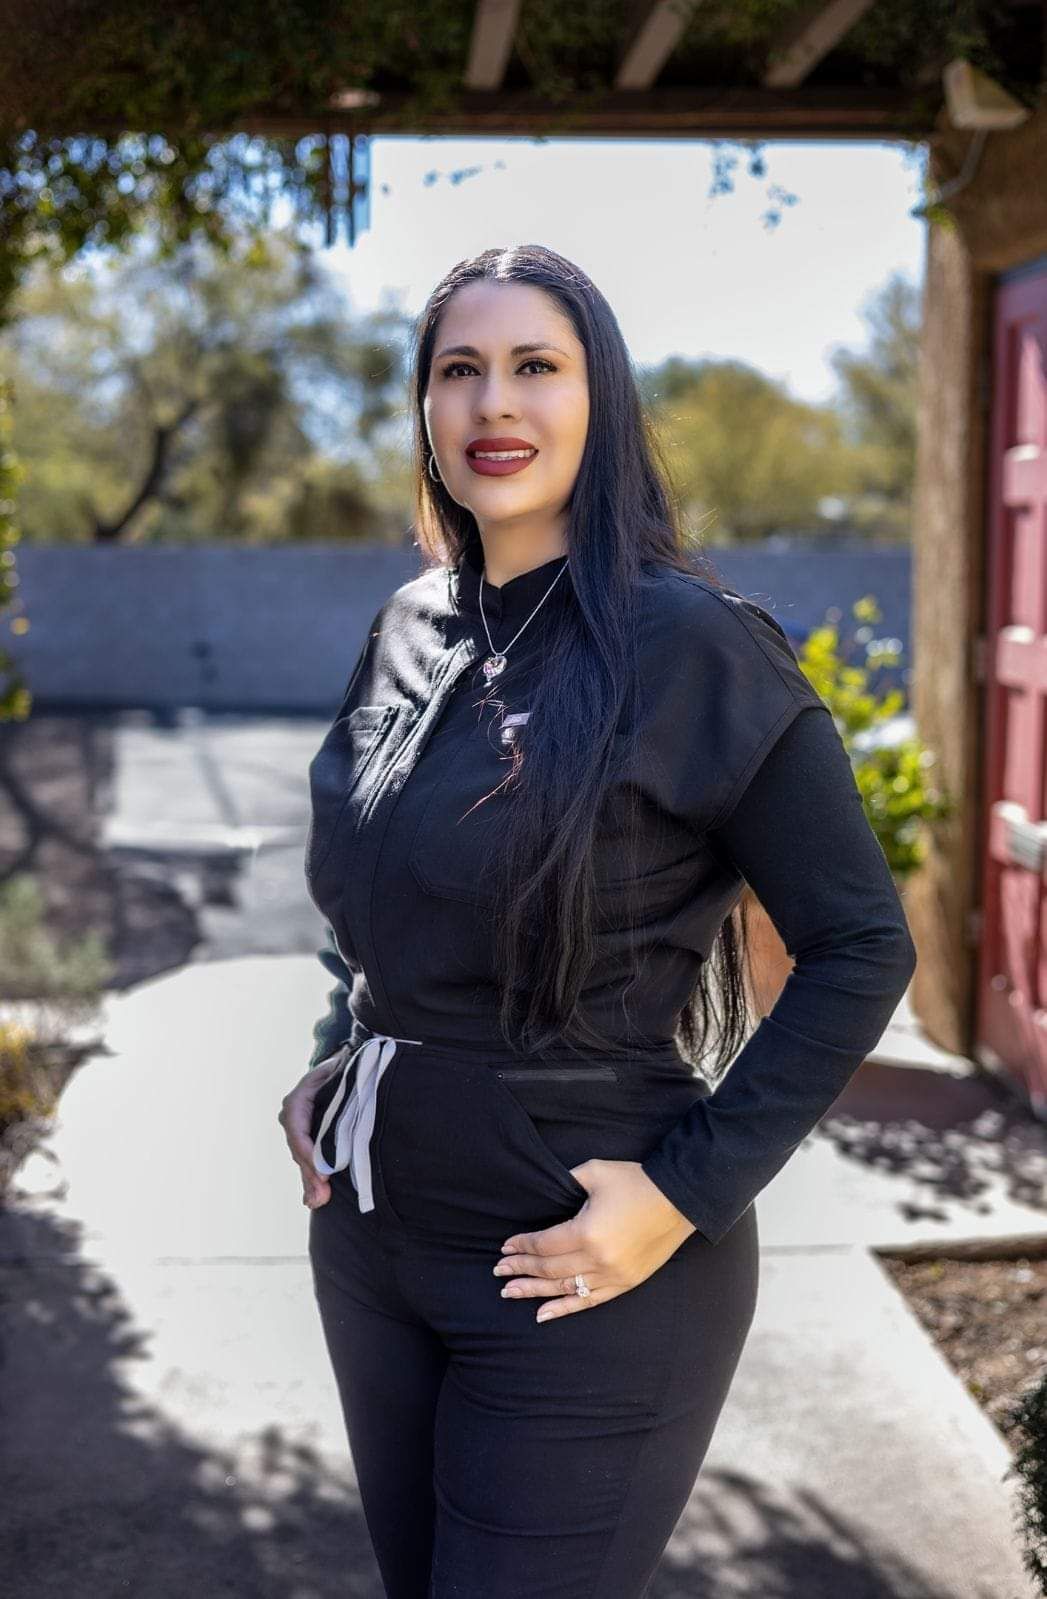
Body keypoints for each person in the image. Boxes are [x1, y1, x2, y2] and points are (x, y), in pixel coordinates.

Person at [278, 244, 917, 1599]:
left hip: (586, 1271)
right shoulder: (406, 625)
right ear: (426, 411)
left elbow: (864, 943)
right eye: (460, 371)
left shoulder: (693, 645)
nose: (493, 405)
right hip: (375, 1248)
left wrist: (685, 1193)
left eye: (535, 367)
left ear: (600, 400)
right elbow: (380, 893)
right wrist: (344, 1039)